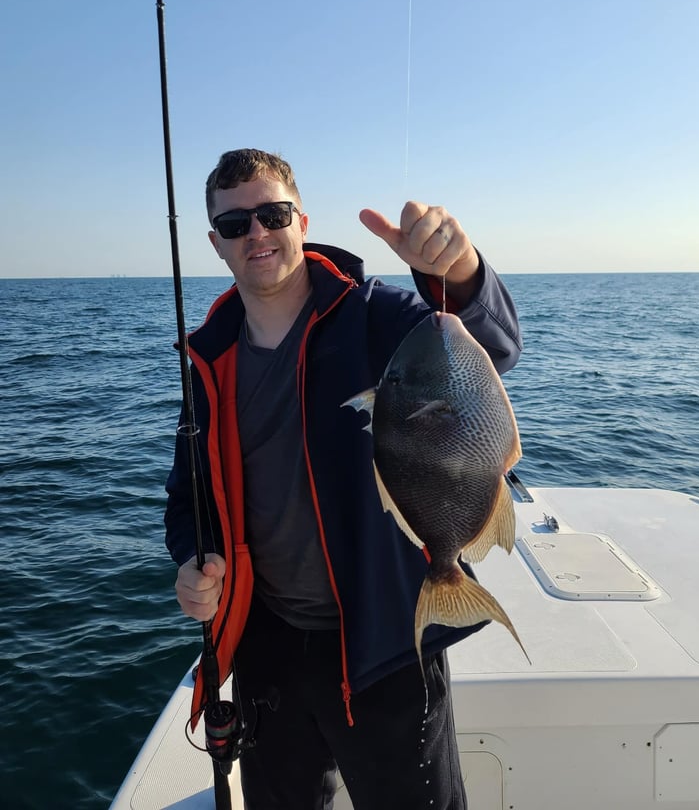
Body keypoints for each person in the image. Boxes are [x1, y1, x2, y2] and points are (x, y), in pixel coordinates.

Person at [164, 148, 522, 810]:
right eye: (236, 225)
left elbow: (492, 347)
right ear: (216, 243)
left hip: (385, 637)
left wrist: (461, 273)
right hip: (267, 649)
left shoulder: (378, 316)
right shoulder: (208, 359)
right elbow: (186, 496)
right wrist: (193, 561)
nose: (257, 234)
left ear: (301, 221)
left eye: (271, 214)